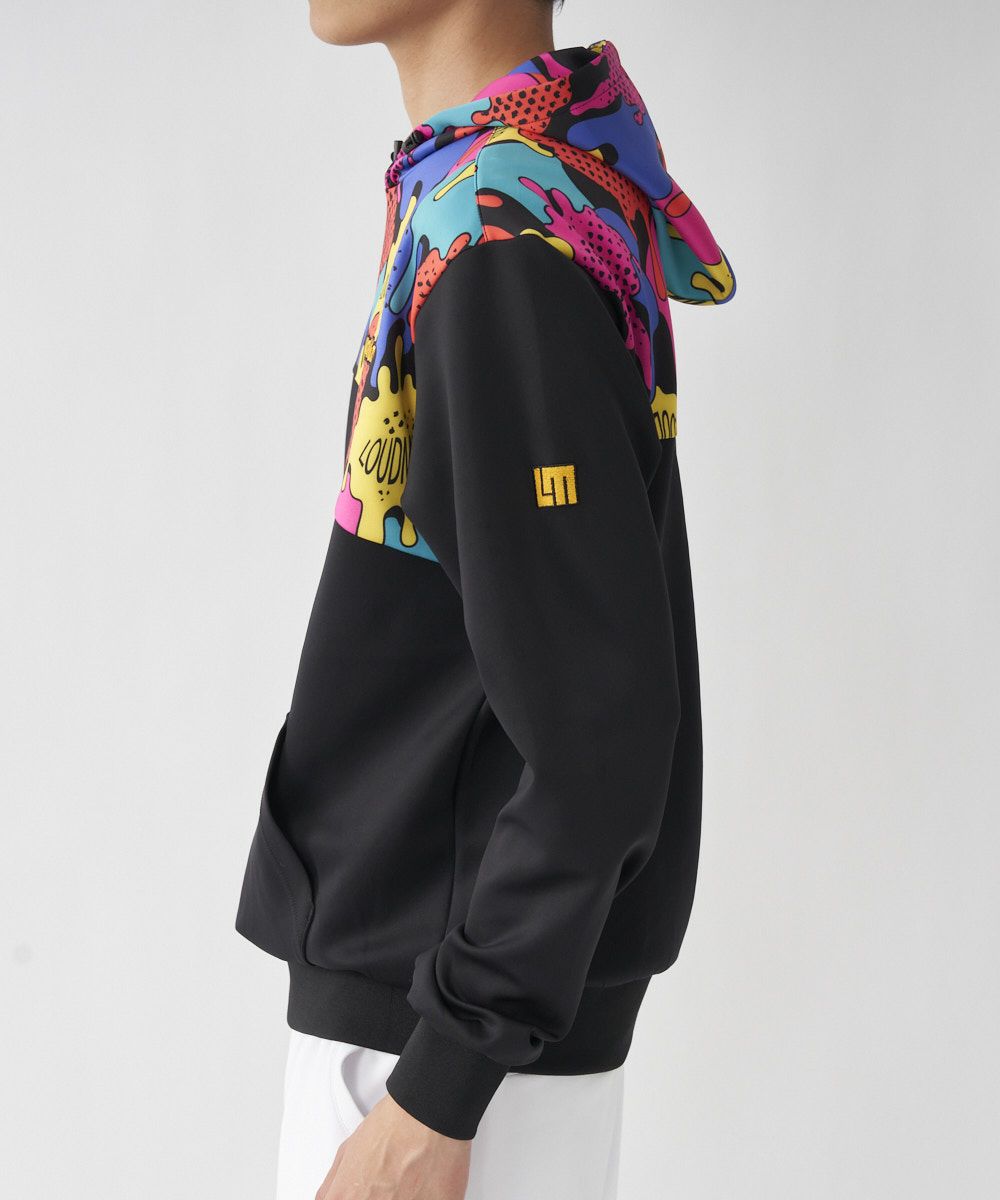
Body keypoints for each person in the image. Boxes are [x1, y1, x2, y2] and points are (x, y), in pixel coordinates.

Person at [235, 2, 735, 1196]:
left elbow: (599, 731)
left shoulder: (498, 231)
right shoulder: (526, 184)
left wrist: (436, 1090)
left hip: (438, 1039)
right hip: (460, 1006)